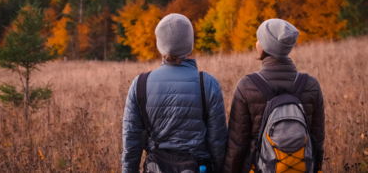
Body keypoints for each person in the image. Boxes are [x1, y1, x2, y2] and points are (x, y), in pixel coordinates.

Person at [122, 14, 228, 173]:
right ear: (190, 45)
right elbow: (217, 143)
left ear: (159, 45)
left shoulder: (140, 84)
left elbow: (131, 144)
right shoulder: (207, 84)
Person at [223, 19, 325, 173]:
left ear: (264, 46)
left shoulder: (247, 85)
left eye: (259, 39)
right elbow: (317, 141)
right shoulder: (311, 85)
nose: (256, 42)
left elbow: (237, 145)